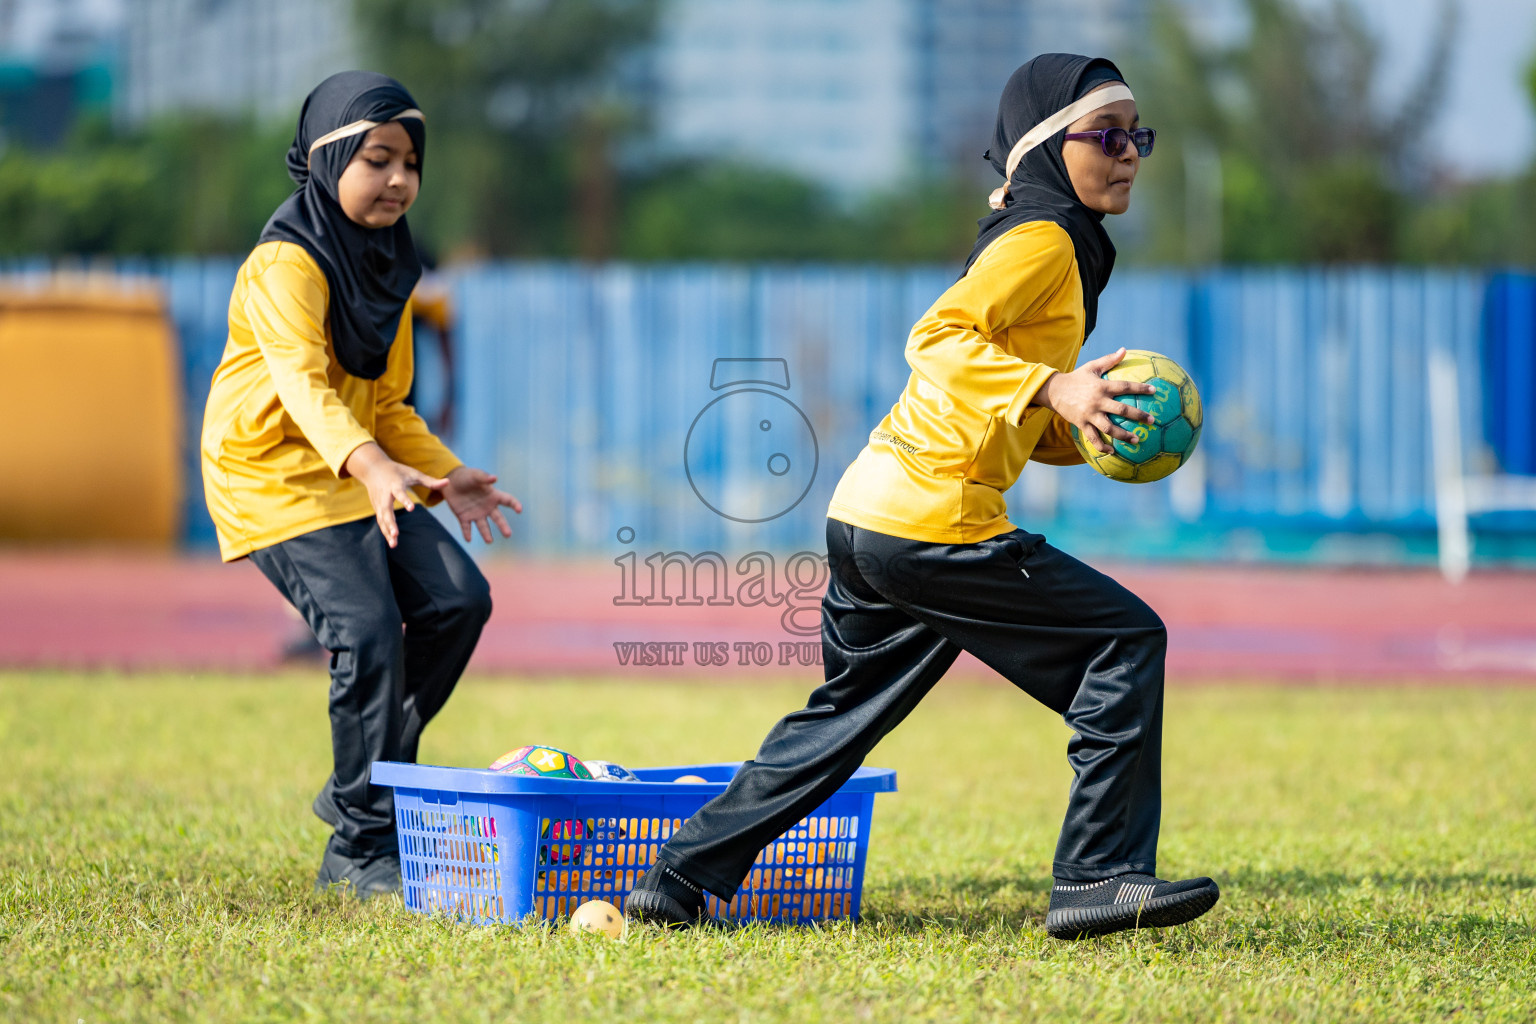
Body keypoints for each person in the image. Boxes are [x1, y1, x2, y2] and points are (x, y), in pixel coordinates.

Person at [625, 54, 1219, 940]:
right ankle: (1099, 875)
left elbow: (1000, 405)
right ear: (1051, 147)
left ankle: (675, 880)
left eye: (1138, 134)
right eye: (1107, 134)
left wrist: (1080, 426)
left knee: (841, 721)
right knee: (1124, 642)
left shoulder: (1058, 238)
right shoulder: (1044, 240)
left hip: (871, 516)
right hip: (934, 524)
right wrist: (1058, 389)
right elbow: (937, 339)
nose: (1129, 151)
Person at [200, 71, 521, 899]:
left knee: (458, 603)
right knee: (368, 629)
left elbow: (383, 401)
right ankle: (364, 843)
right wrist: (373, 464)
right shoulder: (285, 263)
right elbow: (304, 384)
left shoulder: (392, 265)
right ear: (327, 154)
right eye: (378, 159)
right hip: (272, 474)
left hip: (353, 469)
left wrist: (447, 473)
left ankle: (364, 792)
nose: (400, 181)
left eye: (412, 163)